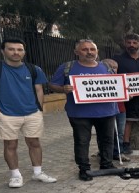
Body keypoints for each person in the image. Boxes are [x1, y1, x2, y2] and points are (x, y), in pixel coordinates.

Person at [0, 38, 56, 188]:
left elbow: (39, 90)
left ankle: (37, 172)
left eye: (19, 49)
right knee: (10, 145)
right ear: (3, 51)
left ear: (24, 52)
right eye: (11, 49)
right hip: (7, 114)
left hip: (32, 113)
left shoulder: (34, 69)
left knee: (34, 143)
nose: (16, 52)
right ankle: (15, 175)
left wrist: (39, 110)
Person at [49, 40, 119, 181]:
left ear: (97, 51)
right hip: (79, 113)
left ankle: (107, 164)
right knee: (82, 141)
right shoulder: (67, 67)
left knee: (107, 139)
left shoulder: (106, 67)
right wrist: (63, 89)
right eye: (85, 49)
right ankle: (84, 169)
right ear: (76, 52)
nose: (89, 52)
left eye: (92, 49)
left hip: (107, 111)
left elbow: (116, 84)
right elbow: (52, 85)